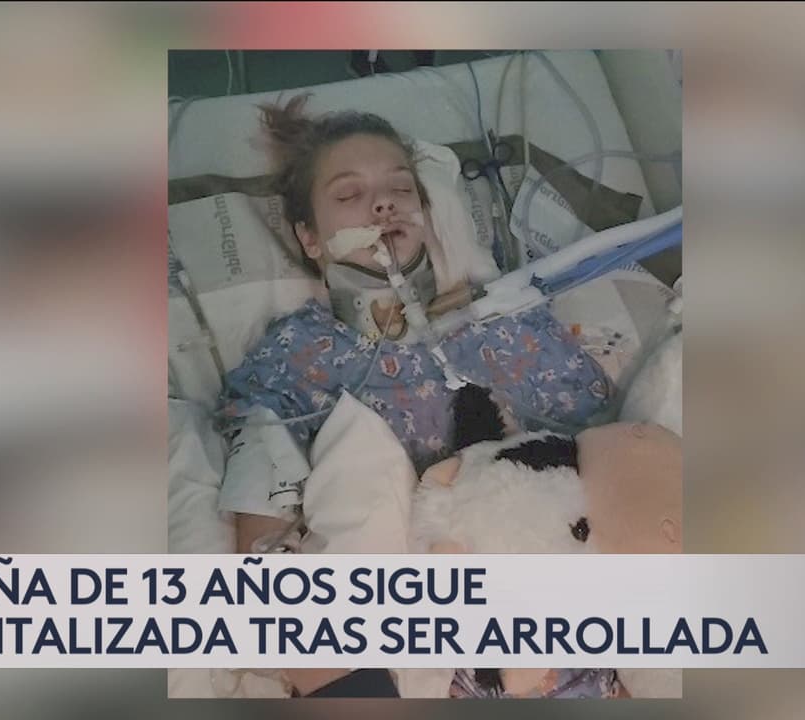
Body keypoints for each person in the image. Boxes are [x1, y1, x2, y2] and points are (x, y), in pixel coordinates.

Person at [216, 94, 618, 697]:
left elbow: (613, 453)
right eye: (349, 195)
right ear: (310, 238)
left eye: (401, 188)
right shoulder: (294, 359)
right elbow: (263, 531)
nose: (383, 204)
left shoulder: (506, 317)